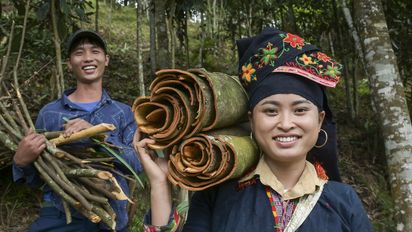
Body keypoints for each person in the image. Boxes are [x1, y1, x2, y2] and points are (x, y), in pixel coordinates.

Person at [134, 27, 373, 231]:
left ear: (319, 120)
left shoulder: (343, 201)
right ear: (252, 119)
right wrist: (160, 185)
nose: (286, 123)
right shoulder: (217, 195)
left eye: (300, 110)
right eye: (270, 111)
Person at [12, 29, 142, 232]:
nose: (88, 58)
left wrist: (98, 136)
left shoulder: (123, 113)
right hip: (60, 214)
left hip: (112, 217)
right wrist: (21, 162)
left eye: (95, 51)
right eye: (79, 53)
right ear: (69, 63)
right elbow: (36, 178)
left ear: (106, 59)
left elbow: (137, 164)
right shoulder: (50, 113)